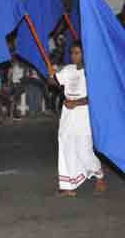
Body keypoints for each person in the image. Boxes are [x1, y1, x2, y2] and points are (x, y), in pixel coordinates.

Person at [48, 41, 107, 197]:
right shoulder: (68, 69)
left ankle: (99, 174)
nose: (74, 56)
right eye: (72, 53)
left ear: (85, 53)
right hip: (68, 114)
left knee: (84, 148)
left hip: (85, 114)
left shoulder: (92, 72)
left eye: (77, 53)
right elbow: (54, 82)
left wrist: (77, 102)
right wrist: (52, 75)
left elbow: (97, 97)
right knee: (65, 143)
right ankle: (67, 185)